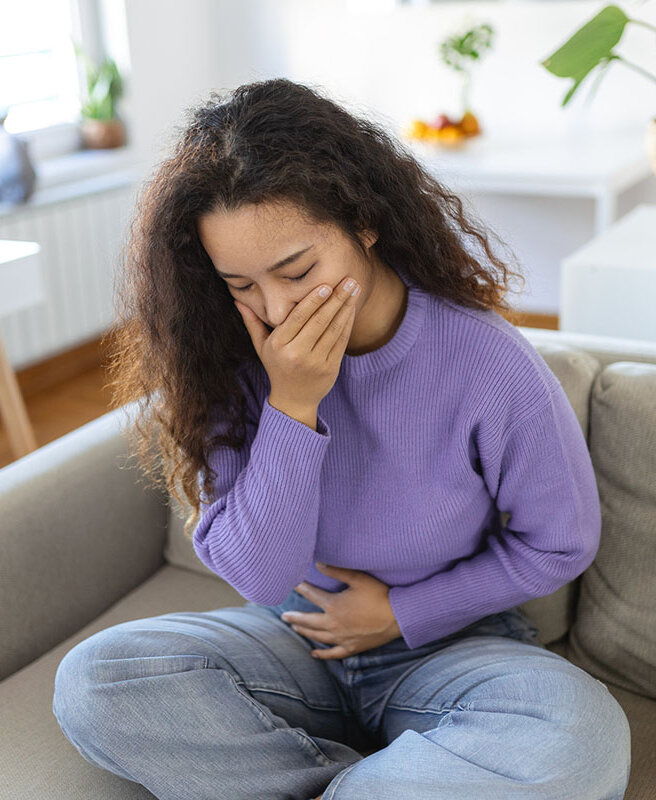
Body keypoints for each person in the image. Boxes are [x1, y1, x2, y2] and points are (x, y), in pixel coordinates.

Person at [52, 78, 631, 800]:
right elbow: (261, 578)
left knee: (579, 738)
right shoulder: (225, 365)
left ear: (363, 223)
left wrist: (400, 613)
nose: (275, 308)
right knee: (97, 679)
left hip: (450, 650)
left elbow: (561, 541)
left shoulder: (487, 361)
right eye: (241, 285)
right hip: (293, 638)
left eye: (297, 271)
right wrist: (294, 404)